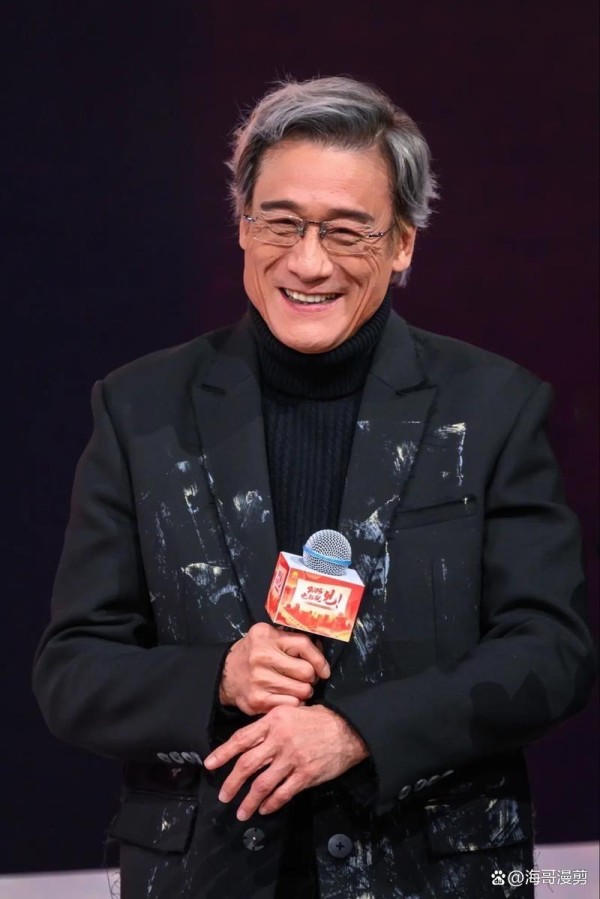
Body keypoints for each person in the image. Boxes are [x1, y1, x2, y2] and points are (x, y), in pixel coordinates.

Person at [33, 76, 596, 899]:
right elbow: (72, 670)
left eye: (346, 231)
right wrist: (219, 676)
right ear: (242, 225)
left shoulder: (493, 408)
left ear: (402, 243)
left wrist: (359, 731)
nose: (308, 262)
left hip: (430, 872)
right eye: (281, 223)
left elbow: (552, 651)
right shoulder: (140, 409)